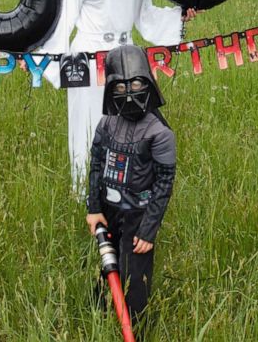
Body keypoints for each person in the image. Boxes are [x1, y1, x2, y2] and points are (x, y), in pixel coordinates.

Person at [40, 0, 194, 190]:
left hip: (128, 57)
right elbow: (63, 17)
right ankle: (88, 194)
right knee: (91, 124)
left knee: (132, 122)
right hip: (88, 58)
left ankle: (127, 191)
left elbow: (145, 14)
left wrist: (180, 15)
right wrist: (45, 59)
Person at [85, 44, 176, 324]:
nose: (129, 93)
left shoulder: (159, 133)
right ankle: (97, 318)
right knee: (107, 265)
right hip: (109, 211)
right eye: (121, 87)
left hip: (139, 214)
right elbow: (97, 165)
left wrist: (148, 231)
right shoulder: (106, 124)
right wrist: (93, 207)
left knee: (134, 276)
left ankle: (137, 325)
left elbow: (164, 182)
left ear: (147, 82)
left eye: (136, 83)